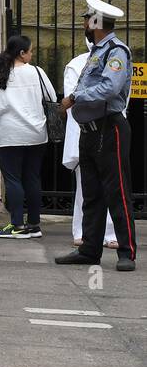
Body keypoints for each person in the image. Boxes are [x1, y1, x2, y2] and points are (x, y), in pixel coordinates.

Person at [56, 0, 137, 271]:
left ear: (95, 23)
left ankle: (126, 252)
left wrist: (74, 97)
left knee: (117, 191)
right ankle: (90, 249)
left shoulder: (116, 51)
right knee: (91, 193)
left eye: (86, 19)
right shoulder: (97, 51)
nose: (83, 24)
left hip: (109, 127)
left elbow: (110, 88)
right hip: (89, 130)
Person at [0, 34, 55, 240]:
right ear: (22, 53)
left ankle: (17, 225)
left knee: (13, 179)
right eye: (30, 51)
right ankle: (34, 224)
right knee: (32, 178)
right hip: (36, 134)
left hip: (9, 134)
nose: (32, 54)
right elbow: (52, 98)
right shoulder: (37, 72)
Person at [61, 38, 118, 253]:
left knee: (111, 184)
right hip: (84, 129)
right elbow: (72, 101)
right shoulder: (76, 65)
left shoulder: (117, 61)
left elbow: (121, 97)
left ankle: (111, 233)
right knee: (86, 186)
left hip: (110, 127)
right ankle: (82, 231)